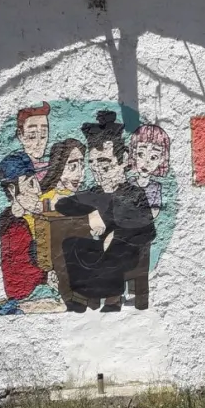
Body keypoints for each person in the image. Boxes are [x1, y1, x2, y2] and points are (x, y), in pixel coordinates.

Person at [55, 111, 156, 312]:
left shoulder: (134, 194)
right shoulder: (94, 193)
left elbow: (148, 231)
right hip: (100, 249)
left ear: (124, 160)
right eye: (92, 165)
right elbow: (62, 204)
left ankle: (112, 301)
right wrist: (91, 213)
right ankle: (81, 297)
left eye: (105, 165)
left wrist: (117, 235)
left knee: (114, 248)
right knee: (71, 243)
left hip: (128, 251)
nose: (98, 173)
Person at [0, 152, 48, 302]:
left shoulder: (35, 217)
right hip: (28, 298)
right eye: (31, 183)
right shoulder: (13, 225)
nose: (38, 190)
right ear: (12, 190)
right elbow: (22, 271)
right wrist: (48, 276)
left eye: (36, 182)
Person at [128, 124, 171, 219]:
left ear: (161, 159)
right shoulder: (129, 183)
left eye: (153, 157)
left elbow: (154, 212)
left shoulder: (156, 187)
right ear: (134, 154)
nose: (146, 162)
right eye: (141, 154)